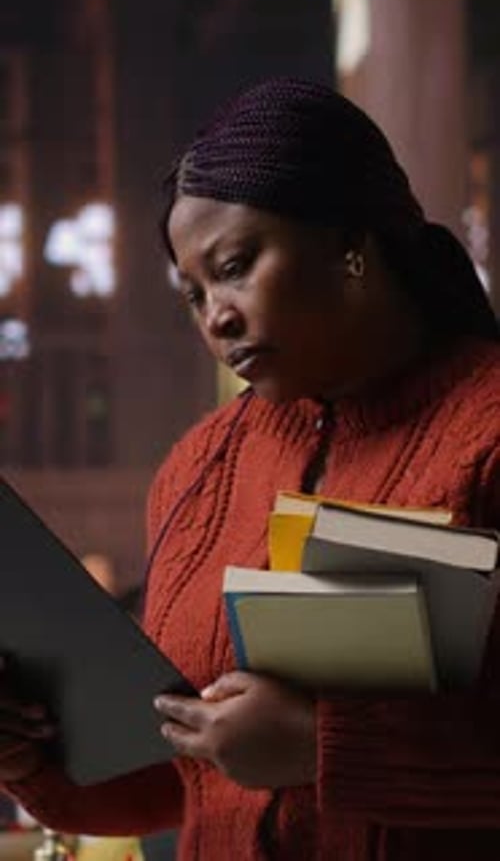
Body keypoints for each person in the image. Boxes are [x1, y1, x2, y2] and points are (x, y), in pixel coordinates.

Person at [0, 77, 499, 861]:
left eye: (235, 267)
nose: (215, 316)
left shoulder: (486, 433)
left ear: (350, 243)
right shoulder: (199, 468)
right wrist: (29, 757)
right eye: (192, 295)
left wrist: (321, 749)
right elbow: (184, 779)